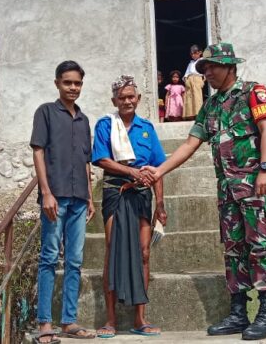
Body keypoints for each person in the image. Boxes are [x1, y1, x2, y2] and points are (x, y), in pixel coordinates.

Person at [141, 42, 266, 341]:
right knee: (234, 250)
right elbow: (190, 144)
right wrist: (159, 171)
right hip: (228, 191)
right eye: (204, 69)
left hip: (256, 185)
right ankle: (238, 313)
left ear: (230, 66)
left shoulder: (253, 92)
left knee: (262, 246)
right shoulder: (211, 106)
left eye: (213, 68)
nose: (208, 74)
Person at [91, 75, 167, 339]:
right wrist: (131, 172)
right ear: (115, 100)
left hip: (143, 196)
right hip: (115, 192)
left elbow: (158, 167)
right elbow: (100, 158)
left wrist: (161, 204)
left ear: (138, 99)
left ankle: (140, 318)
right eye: (122, 98)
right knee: (112, 250)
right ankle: (110, 320)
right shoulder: (105, 125)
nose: (127, 101)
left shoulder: (147, 128)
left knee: (144, 253)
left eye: (131, 97)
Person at [30, 60, 96, 343]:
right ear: (57, 83)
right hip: (55, 198)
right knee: (48, 258)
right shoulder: (45, 112)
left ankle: (68, 321)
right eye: (68, 82)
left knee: (75, 260)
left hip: (80, 199)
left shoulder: (83, 120)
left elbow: (86, 162)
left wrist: (91, 197)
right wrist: (46, 193)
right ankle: (45, 322)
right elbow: (38, 152)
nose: (73, 88)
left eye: (78, 83)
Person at [182, 44, 205, 121]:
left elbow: (205, 72)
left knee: (197, 97)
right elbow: (186, 73)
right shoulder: (190, 63)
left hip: (197, 79)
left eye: (195, 53)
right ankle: (190, 115)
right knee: (189, 98)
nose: (193, 55)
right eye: (191, 54)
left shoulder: (202, 61)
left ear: (200, 52)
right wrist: (186, 80)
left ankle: (198, 115)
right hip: (189, 80)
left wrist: (202, 80)